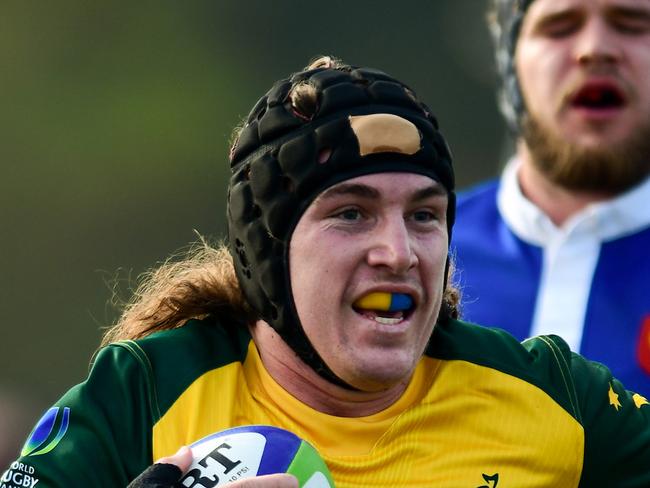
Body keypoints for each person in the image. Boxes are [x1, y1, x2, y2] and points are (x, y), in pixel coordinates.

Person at [3, 56, 650, 488]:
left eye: (424, 216)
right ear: (268, 250)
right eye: (350, 214)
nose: (398, 251)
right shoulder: (146, 392)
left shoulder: (553, 396)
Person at [453, 0, 650, 394]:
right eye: (560, 27)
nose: (595, 48)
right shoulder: (417, 255)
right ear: (509, 60)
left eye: (631, 24)